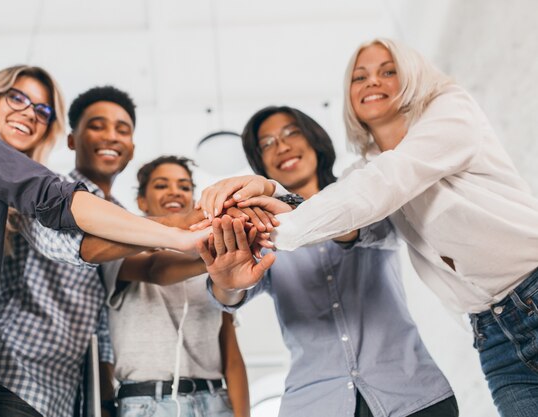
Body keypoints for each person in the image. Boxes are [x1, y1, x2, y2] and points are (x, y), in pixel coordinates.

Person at [196, 38, 538, 417]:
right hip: (487, 332)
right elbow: (233, 290)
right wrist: (228, 278)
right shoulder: (360, 178)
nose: (372, 82)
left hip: (434, 374)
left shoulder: (442, 118)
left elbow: (379, 192)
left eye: (388, 71)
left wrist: (278, 210)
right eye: (359, 77)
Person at [0, 66, 207, 415]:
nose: (28, 113)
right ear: (71, 138)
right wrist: (176, 229)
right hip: (8, 382)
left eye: (41, 110)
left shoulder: (10, 191)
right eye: (16, 97)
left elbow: (138, 267)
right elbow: (72, 239)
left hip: (54, 397)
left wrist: (214, 242)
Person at [199, 106, 457, 417]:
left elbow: (364, 228)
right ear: (260, 162)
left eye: (290, 133)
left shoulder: (361, 192)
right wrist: (226, 285)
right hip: (314, 403)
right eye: (266, 144)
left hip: (412, 395)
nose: (281, 146)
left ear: (314, 139)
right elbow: (232, 295)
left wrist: (295, 209)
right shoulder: (261, 228)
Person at [101, 155, 250, 417]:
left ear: (193, 201)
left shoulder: (211, 274)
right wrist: (214, 259)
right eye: (161, 185)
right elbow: (155, 269)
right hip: (146, 405)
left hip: (215, 402)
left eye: (184, 186)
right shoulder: (118, 253)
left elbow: (232, 358)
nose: (174, 192)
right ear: (141, 201)